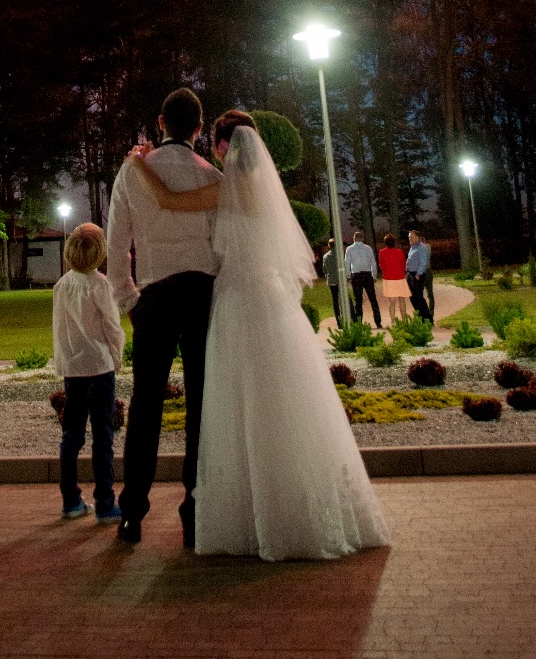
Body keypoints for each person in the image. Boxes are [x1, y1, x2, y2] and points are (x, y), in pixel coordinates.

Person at [128, 110, 390, 561]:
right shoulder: (265, 192)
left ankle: (250, 511)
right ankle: (291, 503)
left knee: (235, 403)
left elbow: (169, 200)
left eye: (216, 141)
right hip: (270, 301)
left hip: (235, 300)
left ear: (226, 146)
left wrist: (136, 164)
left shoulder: (228, 187)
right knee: (281, 400)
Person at [105, 86, 218, 548]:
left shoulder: (134, 171)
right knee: (200, 405)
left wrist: (129, 300)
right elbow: (222, 247)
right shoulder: (211, 174)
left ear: (159, 122)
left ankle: (132, 512)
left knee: (146, 404)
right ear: (198, 129)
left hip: (154, 294)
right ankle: (194, 508)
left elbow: (116, 243)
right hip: (201, 294)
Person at [51, 222, 124, 523]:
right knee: (103, 436)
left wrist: (63, 362)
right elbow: (112, 326)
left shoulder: (61, 286)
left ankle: (70, 499)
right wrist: (116, 357)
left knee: (72, 435)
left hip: (74, 369)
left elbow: (59, 328)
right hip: (99, 366)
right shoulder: (100, 285)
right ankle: (105, 502)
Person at [344, 231, 382, 326]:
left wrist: (348, 275)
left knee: (358, 300)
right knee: (373, 299)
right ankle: (378, 321)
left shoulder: (349, 249)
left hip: (356, 275)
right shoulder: (368, 248)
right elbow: (373, 262)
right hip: (367, 275)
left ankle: (359, 321)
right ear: (362, 238)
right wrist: (374, 275)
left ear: (354, 238)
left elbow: (347, 263)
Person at [377, 236, 410, 323]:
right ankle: (404, 320)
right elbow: (403, 264)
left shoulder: (382, 252)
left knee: (392, 302)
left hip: (388, 279)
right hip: (400, 278)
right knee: (402, 300)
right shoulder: (399, 252)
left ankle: (392, 320)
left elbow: (381, 265)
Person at [405, 229, 434, 324]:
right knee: (412, 297)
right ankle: (420, 317)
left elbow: (423, 262)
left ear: (417, 238)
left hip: (417, 275)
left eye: (411, 237)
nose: (410, 238)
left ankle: (427, 319)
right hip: (410, 274)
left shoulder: (422, 247)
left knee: (419, 297)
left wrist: (418, 274)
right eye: (409, 237)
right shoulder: (412, 247)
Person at [320, 237, 343, 324]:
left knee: (335, 300)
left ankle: (338, 321)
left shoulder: (325, 256)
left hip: (332, 280)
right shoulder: (340, 255)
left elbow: (324, 269)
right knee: (345, 298)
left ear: (329, 245)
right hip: (340, 280)